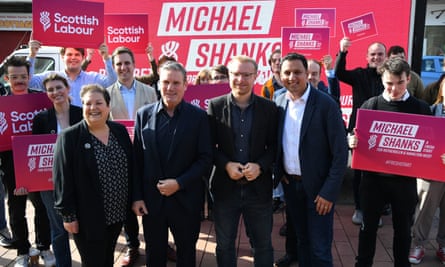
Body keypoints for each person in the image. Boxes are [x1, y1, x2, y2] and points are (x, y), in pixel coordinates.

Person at [348, 57, 432, 267]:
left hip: (404, 182)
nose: (394, 89)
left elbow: (432, 144)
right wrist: (352, 141)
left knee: (403, 230)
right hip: (373, 182)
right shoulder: (371, 105)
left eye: (400, 83)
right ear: (382, 80)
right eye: (389, 83)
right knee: (367, 229)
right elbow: (355, 136)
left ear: (408, 78)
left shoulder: (420, 108)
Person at [132, 61, 212, 266]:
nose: (170, 87)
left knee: (186, 254)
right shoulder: (144, 115)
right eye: (166, 82)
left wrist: (179, 183)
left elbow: (205, 159)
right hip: (152, 202)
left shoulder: (199, 117)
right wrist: (138, 197)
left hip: (186, 199)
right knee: (154, 254)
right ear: (158, 84)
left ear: (186, 85)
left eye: (176, 83)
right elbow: (137, 161)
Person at [274, 53, 348, 267]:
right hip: (291, 187)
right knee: (302, 243)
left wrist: (329, 192)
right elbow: (275, 141)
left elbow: (340, 153)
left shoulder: (326, 105)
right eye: (286, 72)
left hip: (319, 191)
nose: (291, 77)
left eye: (297, 72)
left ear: (307, 74)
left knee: (320, 248)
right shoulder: (278, 100)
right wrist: (280, 173)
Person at [208, 55, 278, 266]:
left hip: (259, 189)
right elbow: (209, 147)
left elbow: (275, 147)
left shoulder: (269, 108)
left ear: (256, 76)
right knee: (225, 245)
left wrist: (261, 166)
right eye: (236, 74)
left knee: (263, 245)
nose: (241, 79)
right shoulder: (215, 106)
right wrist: (226, 165)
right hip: (224, 188)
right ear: (229, 76)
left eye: (247, 74)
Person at [53, 84, 133, 266]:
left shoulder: (119, 131)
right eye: (88, 104)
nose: (93, 108)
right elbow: (61, 179)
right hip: (87, 217)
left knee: (107, 257)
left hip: (117, 213)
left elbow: (132, 167)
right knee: (93, 261)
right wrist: (68, 216)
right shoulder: (69, 137)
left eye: (99, 103)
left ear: (108, 106)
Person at [0, 56, 55, 267]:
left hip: (37, 161)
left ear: (29, 77)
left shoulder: (41, 99)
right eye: (14, 77)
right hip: (10, 163)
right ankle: (23, 251)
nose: (19, 80)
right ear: (7, 78)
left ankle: (44, 247)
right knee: (16, 209)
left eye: (23, 76)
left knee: (42, 207)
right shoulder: (1, 101)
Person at [106, 46, 157, 266]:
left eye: (127, 63)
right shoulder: (106, 94)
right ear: (114, 67)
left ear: (134, 65)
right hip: (121, 157)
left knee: (153, 200)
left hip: (147, 156)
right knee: (127, 204)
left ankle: (160, 243)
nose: (123, 67)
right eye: (119, 64)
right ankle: (133, 245)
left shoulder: (150, 92)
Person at [32, 74, 83, 267]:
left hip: (80, 180)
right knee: (58, 229)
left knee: (82, 225)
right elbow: (33, 154)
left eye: (58, 87)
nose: (55, 92)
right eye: (50, 89)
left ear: (67, 88)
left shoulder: (82, 113)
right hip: (50, 182)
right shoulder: (41, 119)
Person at [335, 37, 386, 225]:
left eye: (380, 54)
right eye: (373, 54)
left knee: (381, 174)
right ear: (367, 57)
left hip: (384, 132)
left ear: (386, 57)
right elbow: (339, 73)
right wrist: (343, 51)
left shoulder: (390, 78)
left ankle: (376, 211)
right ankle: (360, 208)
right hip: (360, 131)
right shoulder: (358, 74)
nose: (376, 57)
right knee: (360, 173)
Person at [408, 78, 445, 265]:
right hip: (432, 172)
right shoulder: (429, 112)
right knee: (425, 208)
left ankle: (443, 246)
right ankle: (418, 244)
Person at [28, 40, 117, 106]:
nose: (73, 58)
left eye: (77, 54)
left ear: (83, 57)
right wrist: (32, 55)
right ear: (62, 57)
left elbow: (113, 83)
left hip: (84, 127)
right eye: (69, 54)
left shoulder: (92, 78)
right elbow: (29, 82)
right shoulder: (51, 77)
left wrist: (106, 58)